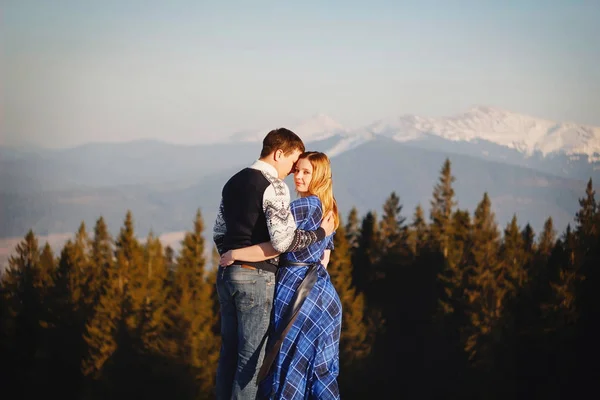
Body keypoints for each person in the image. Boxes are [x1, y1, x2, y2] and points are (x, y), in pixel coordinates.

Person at [212, 129, 335, 400]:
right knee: (250, 361)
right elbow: (282, 242)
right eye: (292, 162)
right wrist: (319, 235)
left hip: (226, 275)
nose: (293, 171)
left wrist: (230, 256)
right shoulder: (274, 186)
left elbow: (219, 232)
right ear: (278, 153)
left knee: (228, 355)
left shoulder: (233, 181)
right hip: (256, 277)